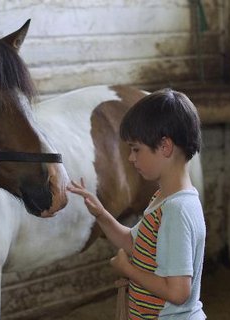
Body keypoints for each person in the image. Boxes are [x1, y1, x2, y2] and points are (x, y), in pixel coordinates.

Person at [67, 88, 206, 319]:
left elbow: (179, 292)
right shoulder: (164, 198)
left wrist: (128, 270)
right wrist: (101, 213)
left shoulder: (176, 210)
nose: (131, 158)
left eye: (136, 149)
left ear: (165, 147)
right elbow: (136, 244)